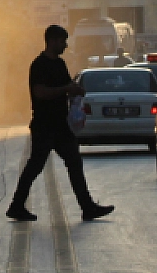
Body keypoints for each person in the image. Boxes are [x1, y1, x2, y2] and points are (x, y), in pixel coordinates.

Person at [7, 25, 114, 223]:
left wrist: (75, 91)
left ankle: (87, 206)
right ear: (53, 41)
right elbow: (40, 92)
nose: (65, 45)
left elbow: (67, 87)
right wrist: (65, 88)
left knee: (74, 162)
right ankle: (16, 205)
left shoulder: (60, 64)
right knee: (35, 166)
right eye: (63, 41)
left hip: (60, 125)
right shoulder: (39, 65)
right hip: (44, 125)